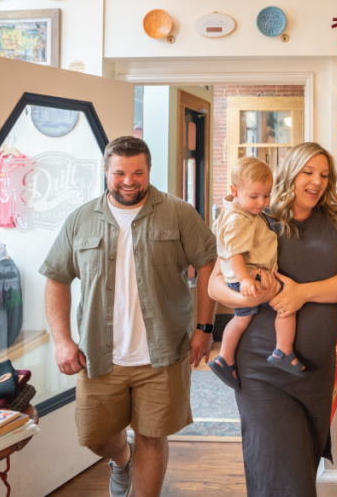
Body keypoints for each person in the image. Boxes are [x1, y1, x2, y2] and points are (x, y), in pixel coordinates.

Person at [40, 136, 218, 497]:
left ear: (149, 170)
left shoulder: (178, 212)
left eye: (138, 172)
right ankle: (122, 459)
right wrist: (62, 341)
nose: (129, 180)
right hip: (99, 355)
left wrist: (205, 328)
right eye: (119, 172)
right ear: (106, 171)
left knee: (153, 436)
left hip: (163, 353)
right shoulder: (81, 220)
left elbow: (207, 264)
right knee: (96, 437)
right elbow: (56, 278)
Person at [209, 142, 337, 497]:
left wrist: (301, 292)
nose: (316, 182)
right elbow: (215, 284)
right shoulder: (259, 216)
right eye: (307, 173)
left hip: (313, 373)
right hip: (263, 370)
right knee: (284, 481)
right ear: (289, 174)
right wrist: (250, 295)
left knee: (299, 473)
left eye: (324, 175)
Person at [208, 156, 303, 391]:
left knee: (241, 319)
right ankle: (283, 350)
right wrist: (245, 280)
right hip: (249, 277)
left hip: (249, 276)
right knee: (286, 305)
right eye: (254, 196)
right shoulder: (238, 219)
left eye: (267, 195)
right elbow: (234, 254)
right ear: (235, 190)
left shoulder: (244, 212)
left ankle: (224, 358)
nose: (262, 202)